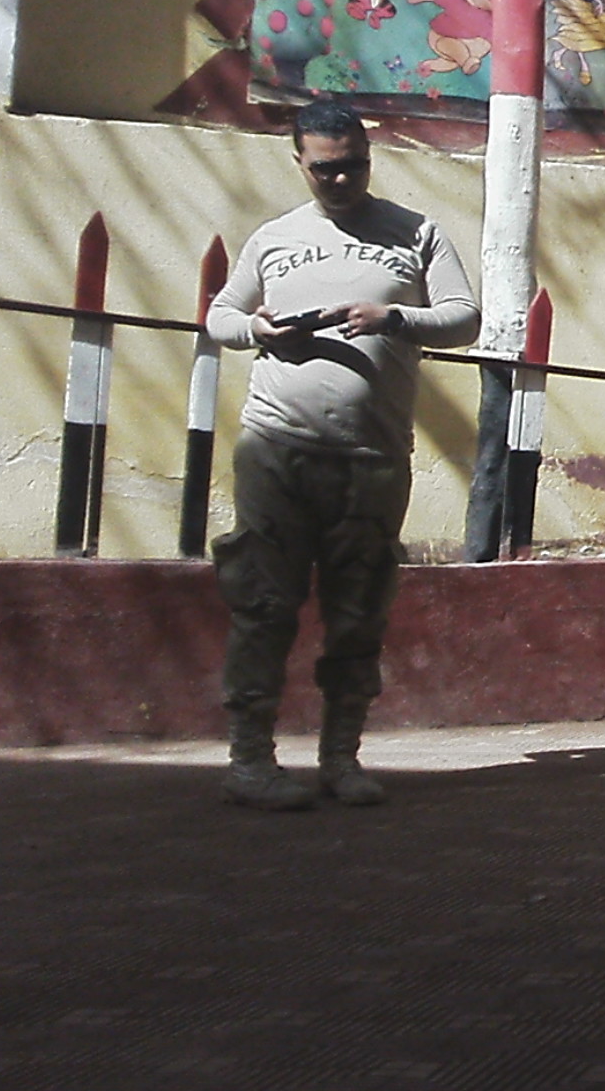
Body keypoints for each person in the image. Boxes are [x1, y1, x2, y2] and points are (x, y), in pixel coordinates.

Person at [202, 100, 478, 810]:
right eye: (324, 168)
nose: (339, 179)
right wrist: (260, 330)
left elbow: (464, 317)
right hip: (276, 446)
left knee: (359, 610)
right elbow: (221, 314)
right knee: (263, 603)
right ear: (300, 162)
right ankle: (250, 762)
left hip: (372, 455)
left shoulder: (414, 232)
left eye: (352, 165)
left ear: (368, 157)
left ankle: (340, 758)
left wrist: (394, 317)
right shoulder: (275, 238)